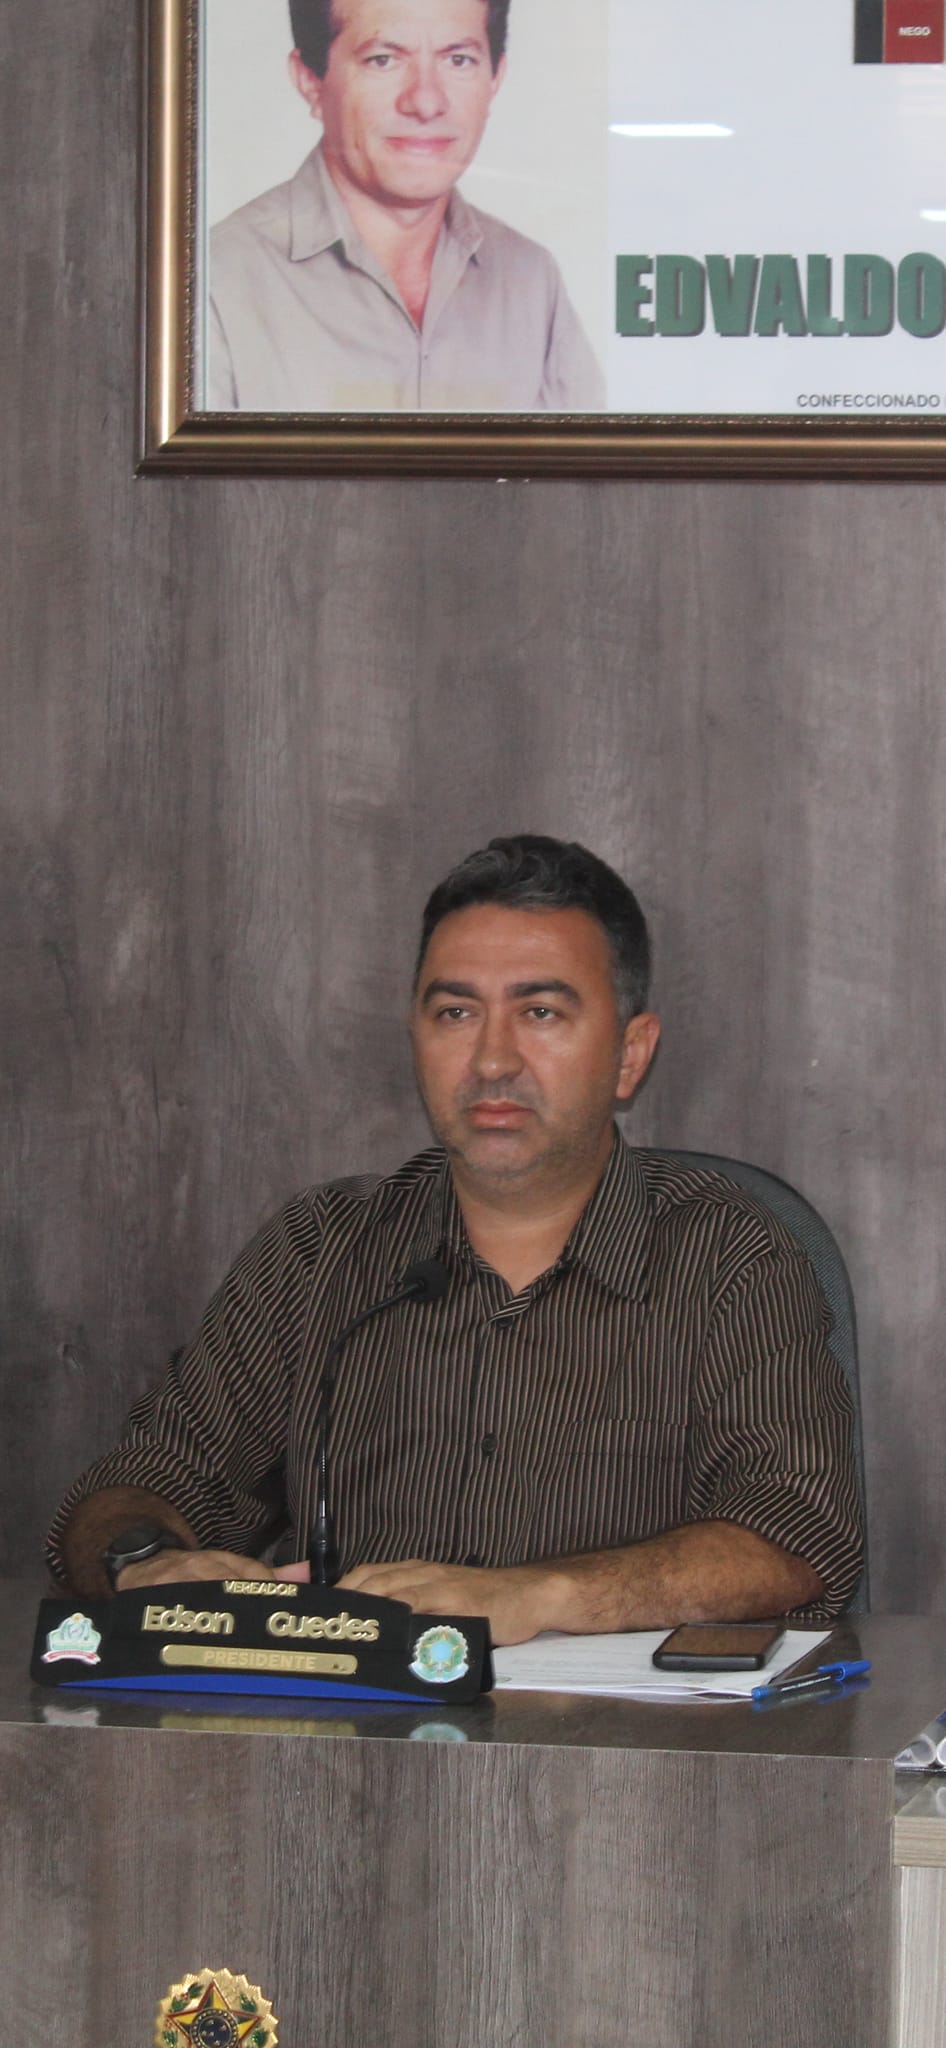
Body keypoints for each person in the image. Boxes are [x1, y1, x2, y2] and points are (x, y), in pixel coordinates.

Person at [48, 836, 862, 1644]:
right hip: (351, 1716)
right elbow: (142, 1482)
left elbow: (796, 1534)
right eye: (456, 1013)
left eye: (540, 1013)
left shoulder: (729, 1254)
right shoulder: (320, 1249)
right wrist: (144, 1562)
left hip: (614, 1727)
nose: (493, 1059)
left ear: (629, 1053)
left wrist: (541, 1596)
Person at [207, 0, 605, 413]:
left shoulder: (532, 282)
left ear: (495, 79)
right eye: (383, 60)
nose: (426, 102)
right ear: (311, 81)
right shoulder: (215, 285)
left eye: (458, 60)